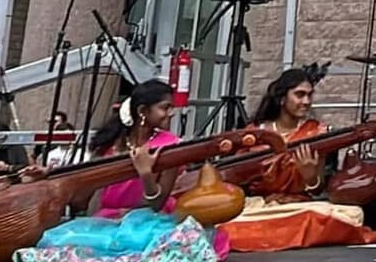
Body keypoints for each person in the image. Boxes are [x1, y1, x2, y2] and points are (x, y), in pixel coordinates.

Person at [14, 79, 229, 262]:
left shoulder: (171, 146)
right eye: (165, 107)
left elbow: (156, 204)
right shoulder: (110, 145)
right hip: (107, 222)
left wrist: (145, 173)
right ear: (143, 111)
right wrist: (50, 178)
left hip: (151, 223)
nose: (171, 114)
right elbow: (79, 202)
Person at [218, 68, 376, 253]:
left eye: (309, 95)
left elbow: (318, 188)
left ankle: (265, 234)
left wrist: (310, 177)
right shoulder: (256, 134)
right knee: (224, 219)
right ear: (282, 98)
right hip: (260, 206)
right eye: (299, 95)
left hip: (299, 207)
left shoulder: (316, 134)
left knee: (349, 214)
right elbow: (236, 180)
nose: (306, 101)